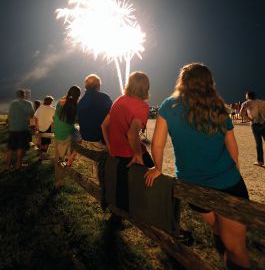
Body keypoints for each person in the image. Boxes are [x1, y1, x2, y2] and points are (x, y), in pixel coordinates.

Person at [145, 63, 250, 270]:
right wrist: (234, 173)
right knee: (237, 248)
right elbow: (233, 150)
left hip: (192, 187)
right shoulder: (218, 107)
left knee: (218, 230)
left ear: (182, 82)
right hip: (227, 184)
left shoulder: (168, 106)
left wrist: (158, 167)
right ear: (209, 83)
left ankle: (223, 250)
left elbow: (158, 145)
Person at [101, 71, 154, 211]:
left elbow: (104, 125)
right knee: (155, 179)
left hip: (117, 151)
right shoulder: (142, 106)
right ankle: (152, 212)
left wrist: (109, 145)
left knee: (122, 185)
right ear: (146, 87)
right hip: (130, 151)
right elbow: (132, 133)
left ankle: (118, 215)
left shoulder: (119, 100)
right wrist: (137, 153)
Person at [52, 85, 81, 189]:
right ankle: (59, 182)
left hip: (58, 132)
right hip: (66, 134)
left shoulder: (60, 103)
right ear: (78, 96)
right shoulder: (77, 106)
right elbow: (77, 120)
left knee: (59, 156)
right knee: (61, 158)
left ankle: (59, 179)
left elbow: (56, 117)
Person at [78, 74, 112, 152]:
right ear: (98, 86)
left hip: (85, 140)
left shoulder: (81, 101)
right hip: (99, 142)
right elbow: (112, 118)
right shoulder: (104, 98)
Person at [4, 89, 35, 170]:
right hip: (22, 128)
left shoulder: (13, 103)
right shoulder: (28, 103)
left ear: (17, 95)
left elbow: (9, 115)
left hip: (13, 128)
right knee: (20, 147)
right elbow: (32, 115)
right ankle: (18, 165)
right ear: (24, 95)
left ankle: (7, 166)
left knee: (10, 147)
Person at [240, 91, 265, 167]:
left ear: (248, 96)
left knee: (259, 143)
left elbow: (241, 113)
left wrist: (248, 119)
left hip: (255, 124)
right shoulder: (261, 102)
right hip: (264, 123)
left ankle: (260, 161)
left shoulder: (246, 103)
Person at [34, 95, 55, 161]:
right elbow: (55, 119)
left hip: (40, 127)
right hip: (48, 127)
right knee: (46, 142)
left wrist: (37, 125)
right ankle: (42, 156)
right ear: (51, 102)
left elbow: (36, 117)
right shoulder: (53, 109)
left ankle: (41, 155)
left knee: (42, 141)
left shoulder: (40, 108)